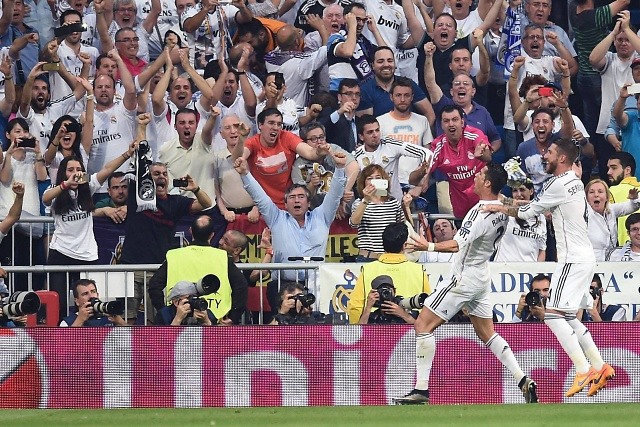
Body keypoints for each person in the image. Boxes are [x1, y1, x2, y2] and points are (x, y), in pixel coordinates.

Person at [395, 163, 538, 405]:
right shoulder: (503, 205)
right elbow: (528, 208)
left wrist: (426, 246)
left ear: (488, 183)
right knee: (487, 333)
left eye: (481, 174)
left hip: (463, 277)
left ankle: (421, 390)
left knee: (423, 324)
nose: (476, 176)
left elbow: (456, 245)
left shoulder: (479, 213)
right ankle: (522, 379)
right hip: (482, 275)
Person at [483, 138, 615, 398]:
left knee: (553, 315)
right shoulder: (575, 182)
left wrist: (498, 206)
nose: (545, 155)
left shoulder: (557, 184)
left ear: (562, 158)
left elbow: (526, 213)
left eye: (551, 152)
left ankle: (582, 369)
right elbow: (537, 207)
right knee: (567, 317)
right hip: (585, 257)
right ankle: (600, 367)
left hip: (572, 260)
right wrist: (507, 204)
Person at [233, 150, 347, 314]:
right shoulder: (276, 218)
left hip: (315, 284)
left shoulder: (322, 216)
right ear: (285, 204)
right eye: (292, 198)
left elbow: (335, 195)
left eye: (301, 197)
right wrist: (245, 174)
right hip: (281, 285)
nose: (296, 200)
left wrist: (340, 168)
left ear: (309, 203)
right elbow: (260, 198)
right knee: (281, 330)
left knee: (314, 329)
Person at [43, 140, 139, 321]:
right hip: (61, 253)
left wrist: (127, 154)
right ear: (63, 172)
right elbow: (46, 198)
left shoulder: (88, 188)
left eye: (78, 169)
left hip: (87, 254)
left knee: (93, 305)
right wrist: (65, 185)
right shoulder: (56, 190)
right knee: (60, 305)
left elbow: (107, 169)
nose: (75, 173)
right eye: (70, 169)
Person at [148, 215, 247, 325]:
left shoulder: (174, 256)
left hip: (179, 314)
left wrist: (165, 312)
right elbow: (241, 286)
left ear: (190, 231)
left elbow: (154, 285)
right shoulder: (222, 257)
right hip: (214, 318)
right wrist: (234, 317)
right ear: (212, 235)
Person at [409, 105, 492, 219]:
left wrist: (481, 154)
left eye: (455, 120)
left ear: (462, 122)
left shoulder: (474, 135)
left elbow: (488, 157)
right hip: (461, 205)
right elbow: (412, 180)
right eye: (446, 121)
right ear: (442, 125)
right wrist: (422, 171)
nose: (451, 124)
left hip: (484, 200)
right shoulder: (438, 147)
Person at [347, 222, 430, 324]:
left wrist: (357, 331)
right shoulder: (419, 270)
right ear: (405, 245)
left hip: (375, 328)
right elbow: (428, 305)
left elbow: (355, 307)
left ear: (383, 244)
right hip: (410, 331)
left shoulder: (367, 269)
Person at [350, 164, 407, 262]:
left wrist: (406, 207)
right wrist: (366, 200)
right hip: (367, 257)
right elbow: (354, 223)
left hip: (390, 257)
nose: (374, 181)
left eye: (378, 178)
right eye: (370, 178)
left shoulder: (393, 202)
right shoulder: (359, 203)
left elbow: (401, 227)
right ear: (363, 182)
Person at [585, 178, 640, 261]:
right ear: (586, 197)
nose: (596, 195)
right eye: (591, 192)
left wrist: (634, 199)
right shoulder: (582, 214)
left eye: (600, 192)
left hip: (610, 262)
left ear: (607, 197)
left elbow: (632, 206)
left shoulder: (611, 210)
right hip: (590, 263)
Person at [494, 179, 546, 262]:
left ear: (531, 191)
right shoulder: (505, 210)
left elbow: (542, 249)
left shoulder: (541, 217)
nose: (519, 194)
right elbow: (496, 195)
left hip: (529, 271)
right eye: (515, 190)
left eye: (522, 190)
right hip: (503, 270)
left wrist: (538, 271)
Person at [59, 279, 127, 327]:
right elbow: (63, 344)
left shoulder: (109, 316)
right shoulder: (67, 322)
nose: (91, 296)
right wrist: (80, 320)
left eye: (93, 291)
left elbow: (135, 338)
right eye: (85, 294)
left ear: (97, 295)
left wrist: (121, 322)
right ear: (77, 301)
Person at [607, 152, 640, 245]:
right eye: (608, 168)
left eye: (614, 168)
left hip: (624, 250)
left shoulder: (611, 191)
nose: (609, 172)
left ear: (627, 170)